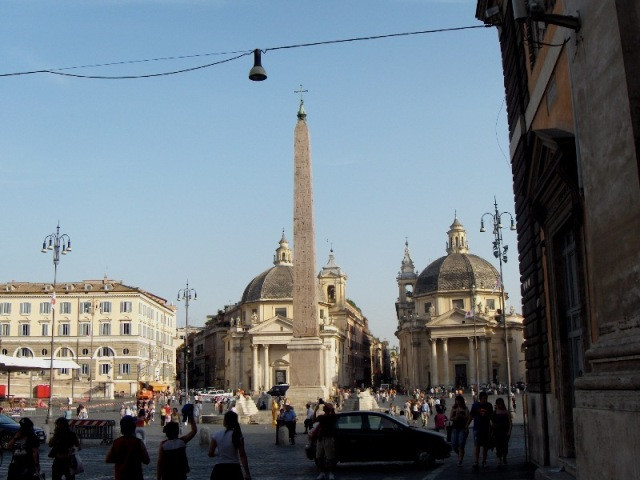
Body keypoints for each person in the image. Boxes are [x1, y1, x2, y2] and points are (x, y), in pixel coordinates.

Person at [208, 410, 251, 480]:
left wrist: (218, 453)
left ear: (225, 421)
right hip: (234, 469)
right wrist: (247, 473)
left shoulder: (216, 435)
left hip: (219, 469)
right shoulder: (238, 436)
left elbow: (210, 453)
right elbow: (242, 455)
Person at [157, 408, 197, 480]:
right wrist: (191, 417)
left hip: (167, 474)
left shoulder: (163, 445)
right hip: (181, 473)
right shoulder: (182, 441)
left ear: (167, 433)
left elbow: (160, 463)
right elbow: (194, 431)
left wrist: (158, 478)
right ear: (177, 432)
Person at [105, 415, 150, 480]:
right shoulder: (138, 443)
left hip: (120, 476)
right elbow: (147, 460)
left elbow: (107, 460)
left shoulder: (116, 442)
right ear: (133, 427)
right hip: (136, 476)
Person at [466, 391, 494, 471]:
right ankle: (476, 462)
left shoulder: (489, 405)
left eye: (486, 398)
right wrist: (467, 425)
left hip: (486, 428)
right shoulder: (475, 406)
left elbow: (492, 416)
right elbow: (471, 416)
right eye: (484, 398)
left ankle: (484, 461)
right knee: (477, 445)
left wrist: (493, 425)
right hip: (477, 428)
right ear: (480, 398)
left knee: (485, 446)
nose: (486, 400)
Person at [309, 402, 337, 480]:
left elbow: (331, 408)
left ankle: (331, 473)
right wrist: (315, 410)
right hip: (321, 439)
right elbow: (313, 420)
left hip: (329, 438)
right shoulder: (321, 417)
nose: (323, 407)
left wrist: (323, 402)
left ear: (328, 409)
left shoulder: (332, 417)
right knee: (319, 457)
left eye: (325, 407)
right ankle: (322, 473)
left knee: (330, 458)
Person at [449, 395, 470, 467]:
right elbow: (450, 418)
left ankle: (460, 459)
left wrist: (462, 416)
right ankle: (460, 454)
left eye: (459, 400)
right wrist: (456, 417)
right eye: (457, 400)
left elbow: (468, 418)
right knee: (453, 445)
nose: (458, 402)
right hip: (455, 428)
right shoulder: (454, 408)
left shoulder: (465, 408)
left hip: (462, 428)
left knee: (461, 444)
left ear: (462, 401)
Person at [491, 397, 512, 466]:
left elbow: (510, 422)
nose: (500, 405)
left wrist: (509, 431)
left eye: (501, 404)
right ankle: (499, 458)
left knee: (505, 445)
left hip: (505, 431)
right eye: (498, 404)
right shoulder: (495, 412)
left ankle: (504, 457)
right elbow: (492, 422)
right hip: (497, 432)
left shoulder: (506, 412)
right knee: (498, 446)